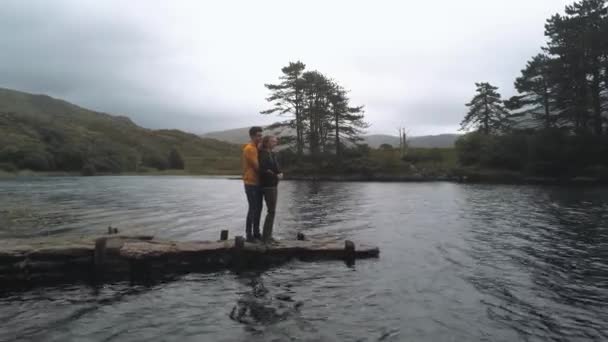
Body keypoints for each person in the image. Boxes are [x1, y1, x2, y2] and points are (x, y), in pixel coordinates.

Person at [258, 135, 283, 242]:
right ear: (267, 142)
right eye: (273, 141)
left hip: (273, 185)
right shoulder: (264, 154)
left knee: (271, 211)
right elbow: (263, 170)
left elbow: (274, 168)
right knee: (271, 211)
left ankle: (267, 236)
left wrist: (280, 173)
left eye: (276, 141)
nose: (275, 143)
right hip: (268, 186)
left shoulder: (271, 154)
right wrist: (276, 175)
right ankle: (266, 237)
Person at [242, 126, 263, 242]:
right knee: (253, 208)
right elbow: (257, 167)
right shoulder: (250, 149)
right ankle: (249, 235)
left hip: (257, 182)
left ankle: (256, 233)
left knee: (258, 208)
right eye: (258, 135)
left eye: (261, 135)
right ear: (252, 136)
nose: (260, 137)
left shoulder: (255, 148)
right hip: (250, 182)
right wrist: (270, 173)